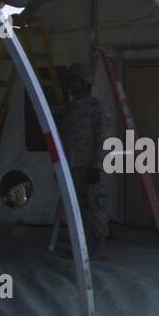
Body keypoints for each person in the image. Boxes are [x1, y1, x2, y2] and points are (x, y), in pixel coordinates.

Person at [57, 62, 108, 258]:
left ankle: (99, 245)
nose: (72, 84)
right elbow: (62, 137)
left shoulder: (96, 108)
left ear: (84, 82)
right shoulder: (70, 108)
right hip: (71, 165)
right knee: (75, 208)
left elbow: (102, 137)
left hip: (90, 166)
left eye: (75, 80)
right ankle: (80, 246)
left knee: (95, 205)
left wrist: (97, 166)